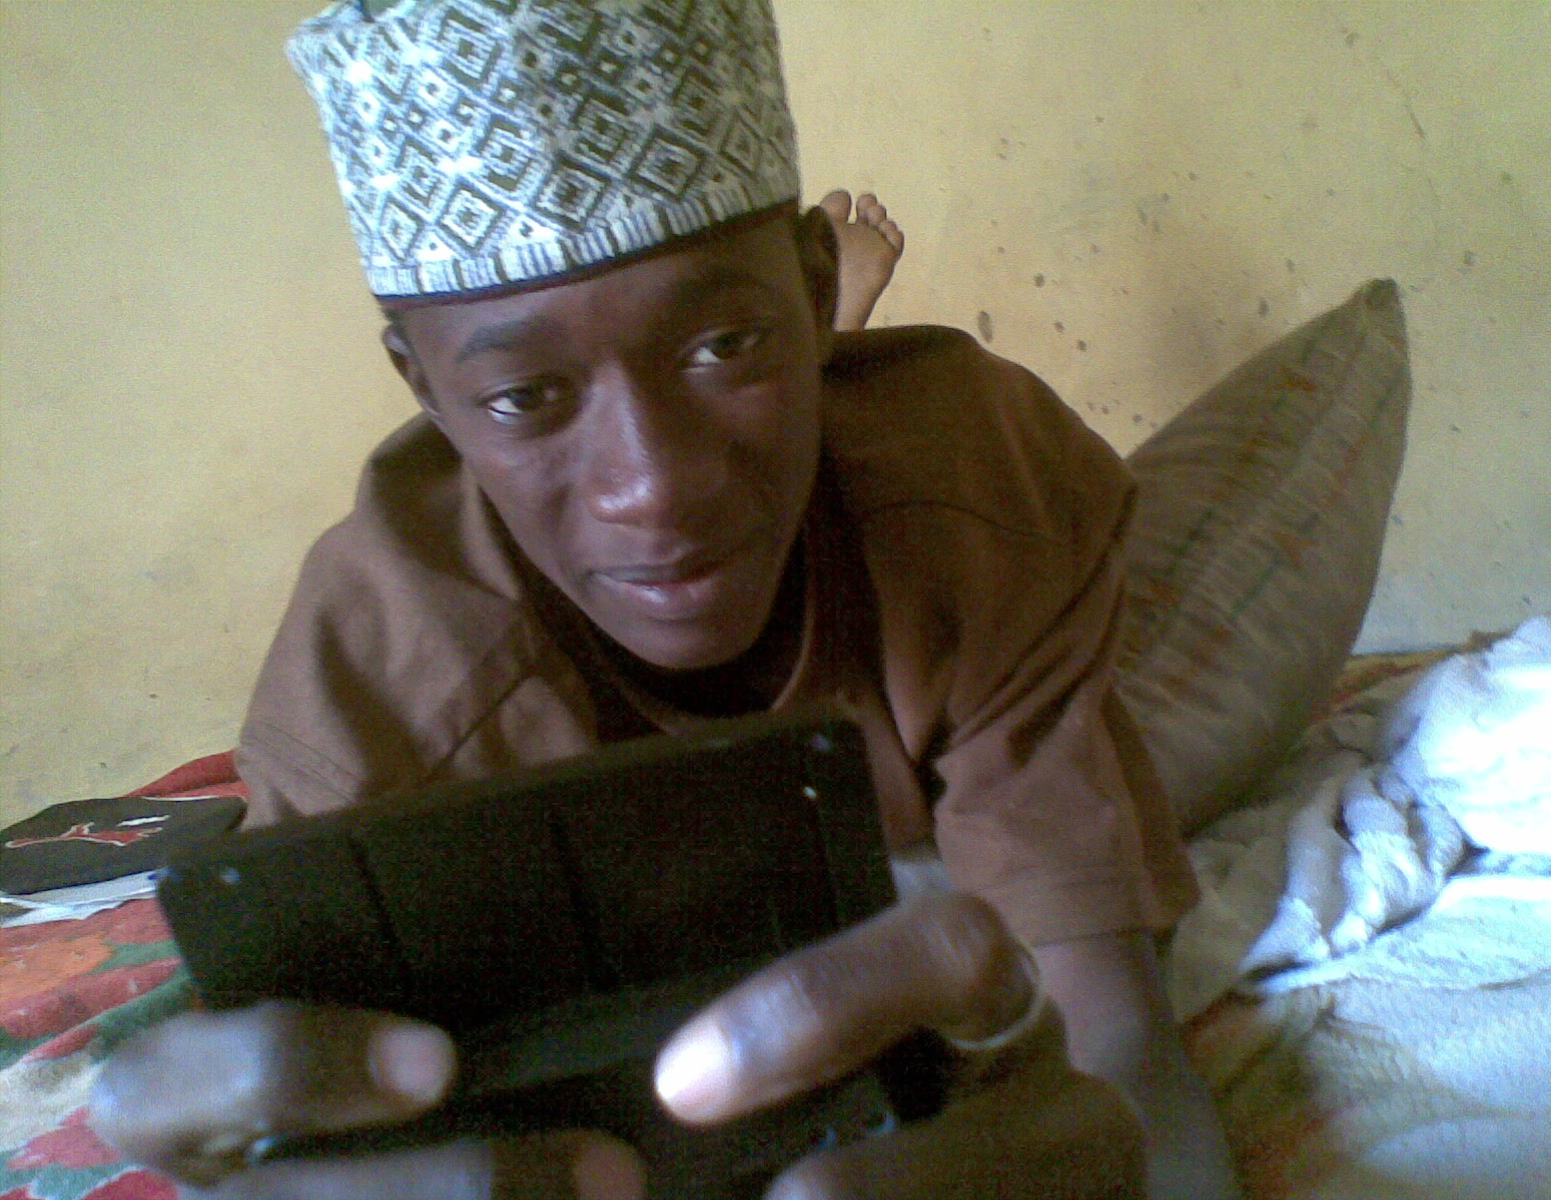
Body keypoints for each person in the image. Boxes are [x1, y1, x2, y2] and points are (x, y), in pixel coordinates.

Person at [90, 2, 1238, 1196]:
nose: (655, 485)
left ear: (812, 286)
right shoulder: (380, 699)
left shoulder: (968, 488)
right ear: (421, 387)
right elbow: (325, 1105)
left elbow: (1111, 1042)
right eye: (524, 397)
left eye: (726, 341)